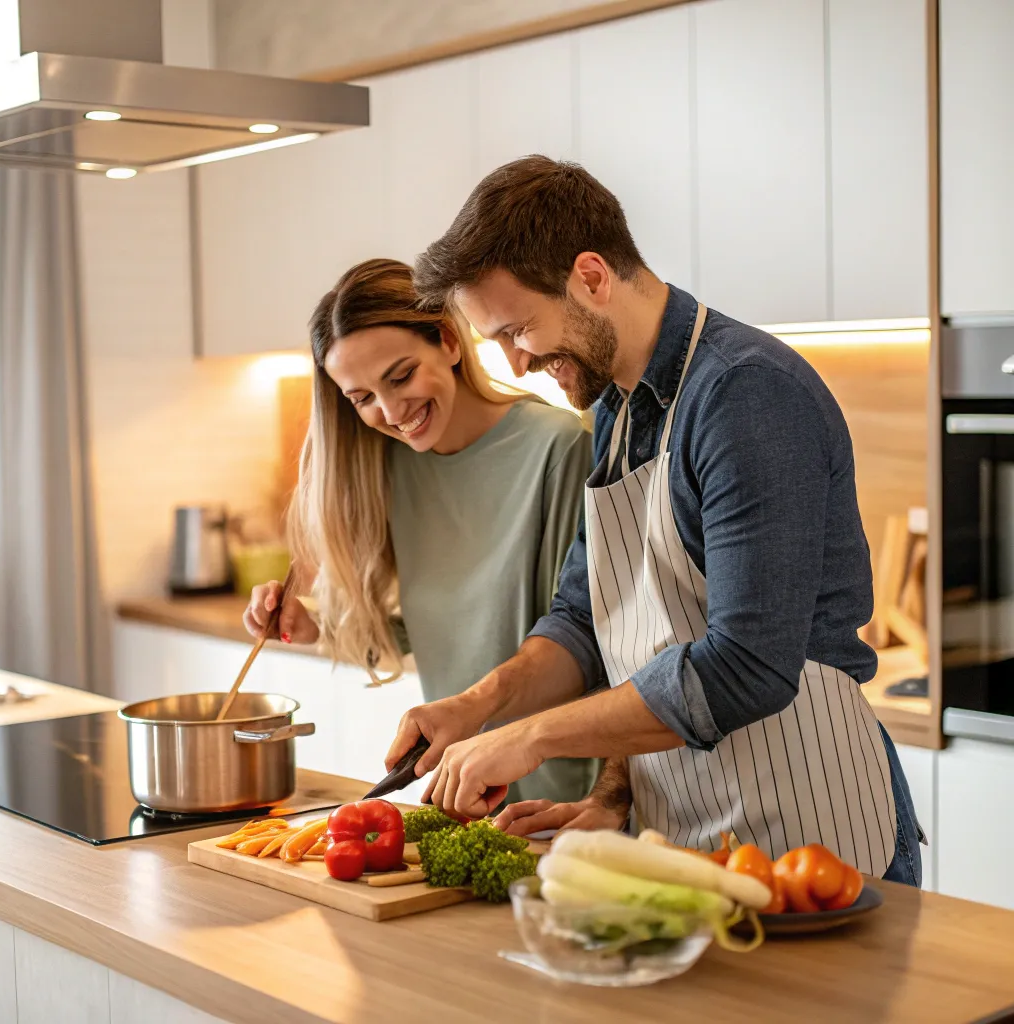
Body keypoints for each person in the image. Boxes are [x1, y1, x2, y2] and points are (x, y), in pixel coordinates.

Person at [384, 157, 923, 885]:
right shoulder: (617, 409)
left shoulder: (744, 395)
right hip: (682, 834)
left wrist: (531, 737)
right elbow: (588, 622)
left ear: (592, 277)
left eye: (519, 330)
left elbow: (747, 666)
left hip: (811, 828)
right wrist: (480, 710)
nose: (516, 362)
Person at [244, 257, 597, 806]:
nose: (390, 411)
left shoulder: (558, 448)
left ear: (449, 342)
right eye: (362, 398)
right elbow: (441, 627)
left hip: (556, 798)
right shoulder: (389, 467)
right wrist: (313, 626)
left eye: (401, 375)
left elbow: (579, 639)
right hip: (460, 791)